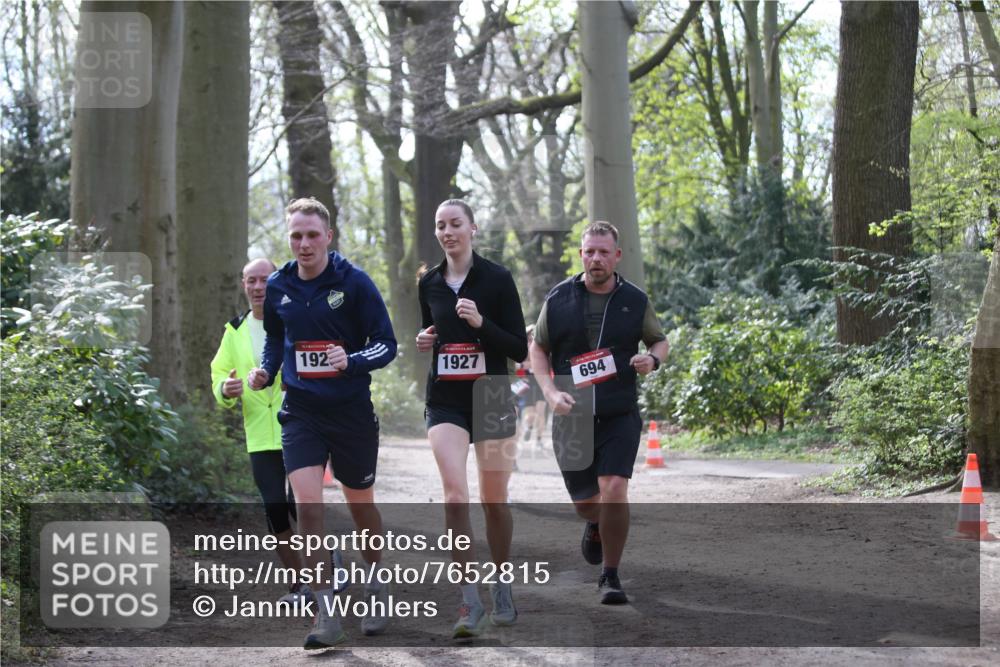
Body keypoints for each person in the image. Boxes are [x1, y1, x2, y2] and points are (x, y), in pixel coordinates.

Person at [248, 198, 397, 649]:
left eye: (312, 235)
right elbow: (276, 339)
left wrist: (352, 360)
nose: (304, 243)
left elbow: (386, 344)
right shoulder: (279, 285)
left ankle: (376, 584)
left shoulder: (355, 283)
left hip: (350, 413)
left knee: (361, 508)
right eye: (296, 235)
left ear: (328, 237)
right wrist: (266, 370)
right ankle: (326, 612)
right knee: (309, 508)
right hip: (301, 413)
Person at [528, 221, 668, 605]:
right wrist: (550, 392)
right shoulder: (558, 298)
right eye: (590, 251)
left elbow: (659, 341)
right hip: (571, 415)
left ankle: (610, 574)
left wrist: (652, 360)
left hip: (618, 411)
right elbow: (538, 348)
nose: (596, 259)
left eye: (604, 252)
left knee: (615, 488)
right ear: (581, 255)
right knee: (588, 503)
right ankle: (593, 522)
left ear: (616, 256)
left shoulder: (635, 300)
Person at [415, 199, 527, 638]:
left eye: (455, 224)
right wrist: (425, 340)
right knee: (455, 496)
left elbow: (519, 348)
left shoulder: (497, 278)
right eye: (440, 225)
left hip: (492, 396)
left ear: (473, 228)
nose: (447, 232)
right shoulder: (429, 283)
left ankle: (501, 582)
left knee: (493, 501)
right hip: (445, 401)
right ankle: (468, 599)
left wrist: (481, 323)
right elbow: (432, 332)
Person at [210, 257, 314, 605]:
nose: (258, 288)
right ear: (243, 285)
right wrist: (225, 389)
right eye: (251, 281)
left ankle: (326, 567)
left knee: (302, 505)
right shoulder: (234, 331)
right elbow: (219, 373)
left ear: (277, 281)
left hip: (299, 424)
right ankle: (298, 584)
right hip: (259, 434)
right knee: (274, 508)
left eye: (264, 280)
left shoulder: (294, 318)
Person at [516, 325, 548, 450]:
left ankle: (539, 440)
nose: (532, 338)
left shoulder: (543, 347)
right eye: (529, 336)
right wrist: (525, 366)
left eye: (534, 336)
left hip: (541, 382)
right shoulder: (523, 349)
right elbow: (517, 366)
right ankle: (529, 427)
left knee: (541, 412)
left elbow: (546, 363)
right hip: (528, 383)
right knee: (530, 415)